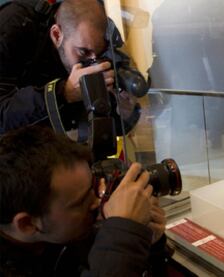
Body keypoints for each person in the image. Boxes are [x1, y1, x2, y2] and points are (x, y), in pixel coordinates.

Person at [0, 125, 170, 276]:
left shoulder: (62, 234)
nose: (97, 201)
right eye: (81, 201)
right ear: (27, 224)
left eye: (93, 186)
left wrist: (147, 245)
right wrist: (123, 234)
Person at [0, 0, 140, 135]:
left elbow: (103, 128)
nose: (91, 62)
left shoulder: (89, 46)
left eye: (98, 54)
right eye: (83, 52)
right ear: (56, 35)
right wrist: (63, 93)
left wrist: (123, 113)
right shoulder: (14, 25)